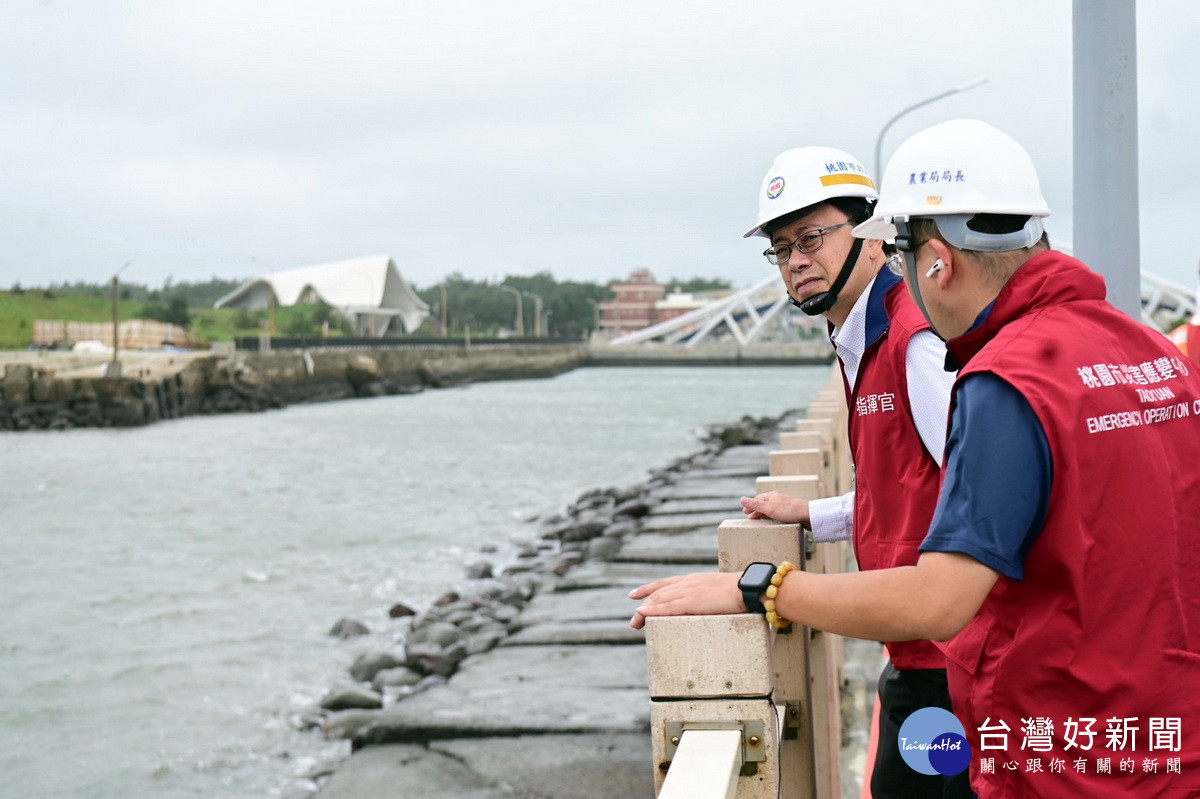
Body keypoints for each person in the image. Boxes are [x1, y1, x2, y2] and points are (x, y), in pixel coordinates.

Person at [631, 119, 1200, 797]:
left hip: (1061, 748)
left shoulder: (1003, 379)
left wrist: (761, 588)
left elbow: (940, 597)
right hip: (1166, 736)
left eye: (899, 254)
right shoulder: (1153, 352)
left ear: (937, 261)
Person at [740, 146, 963, 798]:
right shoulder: (862, 339)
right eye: (781, 249)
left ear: (870, 235)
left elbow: (981, 491)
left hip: (950, 665)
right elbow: (904, 487)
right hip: (918, 652)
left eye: (812, 237)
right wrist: (813, 513)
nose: (796, 261)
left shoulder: (913, 342)